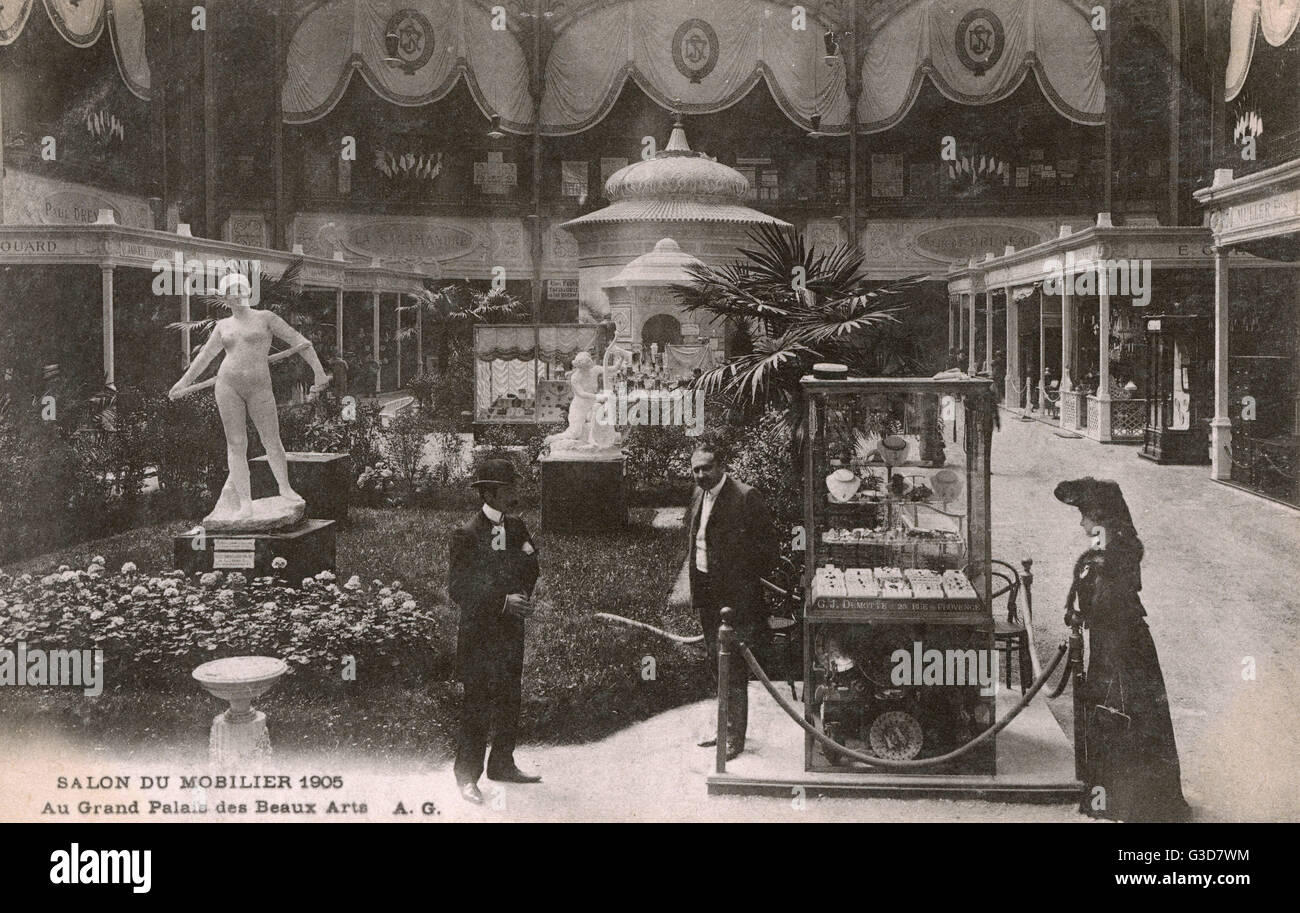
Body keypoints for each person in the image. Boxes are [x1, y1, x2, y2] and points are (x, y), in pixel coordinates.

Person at [1054, 477, 1191, 822]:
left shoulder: (1109, 551)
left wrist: (1082, 612)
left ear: (1099, 517)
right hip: (1121, 643)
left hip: (1119, 648)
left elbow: (1105, 600)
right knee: (1129, 714)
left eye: (1085, 515)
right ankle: (1128, 799)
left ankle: (1124, 803)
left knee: (1119, 713)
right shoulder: (1112, 547)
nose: (1081, 522)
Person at [169, 273, 329, 522]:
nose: (236, 293)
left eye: (240, 288)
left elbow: (300, 342)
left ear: (247, 291)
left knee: (271, 439)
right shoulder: (223, 325)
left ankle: (284, 488)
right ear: (225, 297)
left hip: (259, 387)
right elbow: (204, 359)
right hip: (227, 385)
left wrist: (319, 373)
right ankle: (245, 502)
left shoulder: (266, 318)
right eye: (231, 290)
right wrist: (182, 383)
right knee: (236, 444)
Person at [448, 458, 542, 804]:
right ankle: (467, 777)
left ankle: (502, 763)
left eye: (513, 487)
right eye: (507, 489)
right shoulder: (468, 534)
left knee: (509, 698)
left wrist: (521, 597)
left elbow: (531, 564)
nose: (513, 493)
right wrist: (503, 602)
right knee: (477, 703)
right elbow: (459, 588)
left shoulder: (516, 527)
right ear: (488, 493)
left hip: (510, 632)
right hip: (479, 635)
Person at [688, 442, 778, 759]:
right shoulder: (700, 494)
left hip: (736, 600)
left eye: (706, 468)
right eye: (696, 469)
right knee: (717, 663)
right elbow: (698, 542)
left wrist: (738, 582)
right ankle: (722, 727)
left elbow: (768, 552)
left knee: (735, 667)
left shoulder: (745, 497)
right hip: (708, 596)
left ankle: (733, 738)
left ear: (721, 466)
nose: (700, 475)